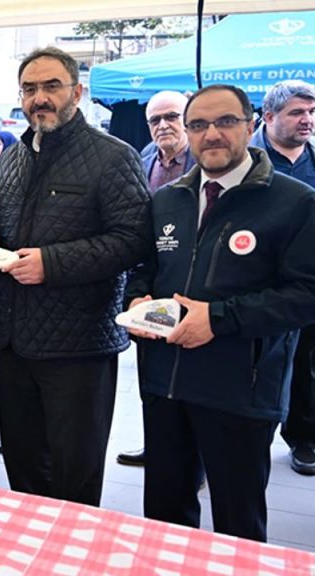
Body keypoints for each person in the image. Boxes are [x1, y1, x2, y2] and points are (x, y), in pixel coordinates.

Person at [126, 83, 315, 542]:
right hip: (164, 383)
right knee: (165, 518)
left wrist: (217, 318)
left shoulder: (294, 202)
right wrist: (136, 300)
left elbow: (306, 295)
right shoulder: (167, 199)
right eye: (198, 124)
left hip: (241, 390)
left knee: (237, 522)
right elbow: (144, 269)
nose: (211, 134)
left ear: (251, 126)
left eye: (225, 121)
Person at [0, 47, 151, 506]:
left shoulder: (114, 156)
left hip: (79, 346)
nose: (40, 97)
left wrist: (50, 263)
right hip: (14, 340)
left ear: (77, 91)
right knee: (22, 464)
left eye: (51, 86)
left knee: (74, 476)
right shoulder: (14, 156)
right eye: (30, 88)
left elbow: (133, 240)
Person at [117, 90, 196, 468]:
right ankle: (159, 449)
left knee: (194, 386)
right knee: (153, 379)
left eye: (172, 117)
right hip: (152, 283)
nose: (163, 125)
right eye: (155, 120)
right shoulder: (144, 158)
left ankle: (194, 463)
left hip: (194, 286)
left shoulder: (203, 161)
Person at [248, 80, 315, 477]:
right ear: (269, 117)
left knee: (308, 364)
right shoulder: (244, 159)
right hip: (254, 282)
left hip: (304, 282)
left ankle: (303, 436)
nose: (306, 120)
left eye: (310, 112)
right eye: (296, 112)